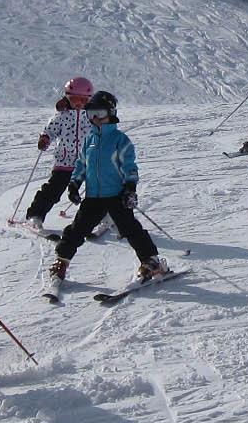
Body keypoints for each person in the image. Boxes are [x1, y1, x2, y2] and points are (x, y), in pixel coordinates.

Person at [49, 93, 172, 286]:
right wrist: (74, 183)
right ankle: (62, 261)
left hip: (116, 195)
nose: (95, 119)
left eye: (99, 113)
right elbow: (81, 164)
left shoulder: (119, 140)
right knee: (76, 230)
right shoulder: (89, 140)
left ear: (111, 113)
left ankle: (152, 261)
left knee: (130, 229)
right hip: (93, 197)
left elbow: (129, 166)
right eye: (91, 114)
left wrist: (130, 188)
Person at [25, 76, 93, 232]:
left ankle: (106, 217)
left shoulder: (91, 117)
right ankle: (35, 216)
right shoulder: (61, 116)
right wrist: (45, 138)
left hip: (86, 162)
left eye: (82, 101)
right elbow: (50, 130)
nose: (78, 104)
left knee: (98, 191)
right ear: (67, 97)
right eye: (74, 99)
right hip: (64, 162)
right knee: (53, 190)